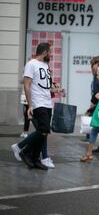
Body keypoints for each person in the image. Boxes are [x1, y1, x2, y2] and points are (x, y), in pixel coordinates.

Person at [16, 42, 60, 170]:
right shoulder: (31, 64)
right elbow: (27, 85)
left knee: (44, 133)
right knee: (43, 130)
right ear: (45, 52)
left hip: (47, 103)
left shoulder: (45, 65)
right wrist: (30, 105)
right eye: (50, 52)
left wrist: (57, 90)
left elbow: (47, 86)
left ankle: (35, 159)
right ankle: (25, 151)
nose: (51, 54)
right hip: (37, 102)